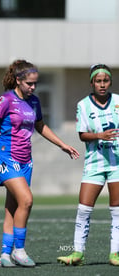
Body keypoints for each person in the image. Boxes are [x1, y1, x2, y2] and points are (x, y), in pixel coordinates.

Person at [0, 60, 79, 267]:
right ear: (18, 80)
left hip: (26, 161)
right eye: (29, 84)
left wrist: (62, 144)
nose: (33, 87)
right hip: (5, 158)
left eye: (35, 83)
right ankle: (20, 250)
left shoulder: (34, 101)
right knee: (26, 200)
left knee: (13, 206)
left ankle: (5, 254)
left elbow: (41, 126)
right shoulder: (6, 99)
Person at [57, 64, 119, 266]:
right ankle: (78, 253)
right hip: (94, 163)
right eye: (98, 81)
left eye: (106, 80)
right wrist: (100, 135)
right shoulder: (83, 105)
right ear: (92, 82)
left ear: (110, 81)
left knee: (117, 210)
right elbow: (82, 135)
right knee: (84, 208)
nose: (102, 84)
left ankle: (115, 254)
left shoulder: (118, 101)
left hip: (116, 164)